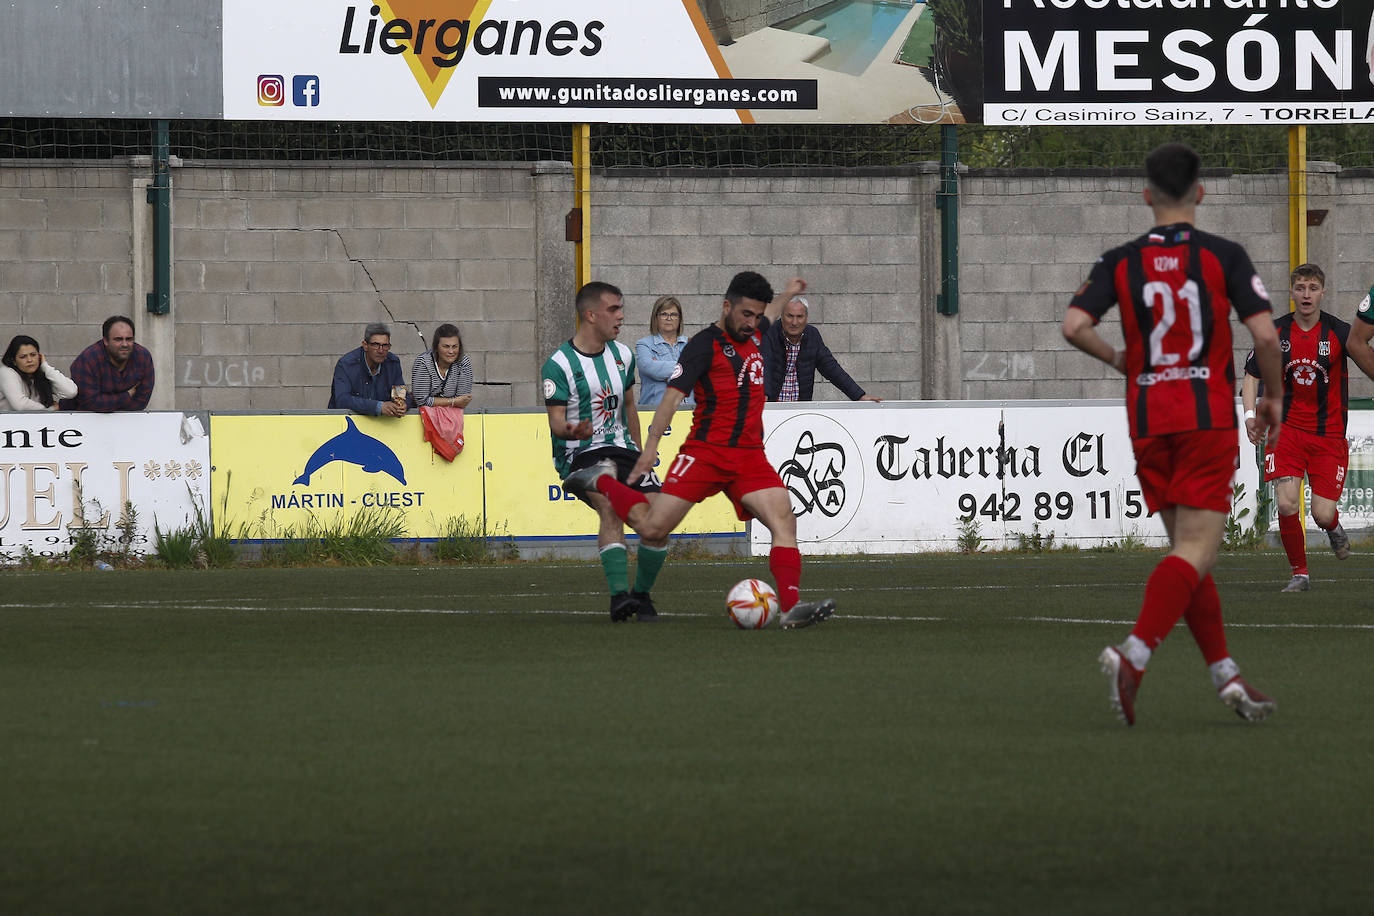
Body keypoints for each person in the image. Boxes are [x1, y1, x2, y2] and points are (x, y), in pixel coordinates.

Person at [1062, 142, 1283, 725]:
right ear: (1201, 193)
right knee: (1196, 551)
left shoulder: (1121, 260)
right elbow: (1264, 336)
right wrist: (1274, 397)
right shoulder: (1223, 256)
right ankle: (1132, 653)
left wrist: (1120, 360)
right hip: (1204, 419)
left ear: (1146, 195)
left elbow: (1074, 325)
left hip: (1148, 418)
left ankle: (1226, 677)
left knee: (1190, 557)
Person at [562, 271, 836, 630]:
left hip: (749, 455)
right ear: (727, 307)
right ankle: (602, 482)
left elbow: (771, 314)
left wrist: (787, 293)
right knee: (651, 527)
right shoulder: (703, 345)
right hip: (706, 453)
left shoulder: (754, 331)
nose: (753, 323)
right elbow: (673, 397)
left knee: (784, 519)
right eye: (746, 315)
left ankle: (791, 608)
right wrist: (651, 447)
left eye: (758, 316)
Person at [542, 281, 669, 623]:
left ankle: (641, 596)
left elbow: (629, 407)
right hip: (581, 453)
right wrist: (571, 429)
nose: (621, 316)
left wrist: (642, 454)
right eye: (614, 309)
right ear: (591, 315)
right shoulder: (559, 363)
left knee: (658, 523)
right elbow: (555, 421)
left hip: (624, 448)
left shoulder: (624, 356)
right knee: (611, 508)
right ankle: (618, 598)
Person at [1241, 264, 1362, 593]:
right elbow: (1252, 376)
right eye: (1300, 288)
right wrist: (1250, 415)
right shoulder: (1275, 332)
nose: (1306, 294)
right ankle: (1300, 573)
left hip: (1328, 436)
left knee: (1322, 514)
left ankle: (1333, 527)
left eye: (1312, 288)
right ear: (1291, 292)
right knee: (1286, 502)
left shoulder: (1339, 333)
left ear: (1323, 292)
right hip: (1287, 432)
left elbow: (1366, 352)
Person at [760, 295, 881, 403]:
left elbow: (831, 368)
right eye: (790, 316)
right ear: (781, 316)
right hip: (771, 407)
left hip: (800, 410)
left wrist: (859, 396)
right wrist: (763, 395)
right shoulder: (769, 333)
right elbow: (765, 365)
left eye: (800, 316)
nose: (794, 322)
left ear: (806, 318)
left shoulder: (812, 335)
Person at [61, 315, 154, 412]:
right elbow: (89, 403)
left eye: (129, 339)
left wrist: (107, 403)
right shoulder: (88, 359)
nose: (125, 344)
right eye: (118, 339)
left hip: (128, 419)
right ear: (105, 341)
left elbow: (141, 402)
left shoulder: (143, 357)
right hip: (83, 421)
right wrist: (127, 396)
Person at [329, 322, 407, 417]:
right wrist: (379, 407)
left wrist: (403, 405)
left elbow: (400, 393)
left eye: (385, 346)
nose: (381, 350)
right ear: (365, 345)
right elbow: (342, 400)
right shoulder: (346, 364)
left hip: (383, 424)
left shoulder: (393, 362)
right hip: (346, 423)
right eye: (375, 345)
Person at [635, 295, 693, 409]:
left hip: (689, 411)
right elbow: (649, 367)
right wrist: (686, 368)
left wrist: (663, 370)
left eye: (674, 314)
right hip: (653, 413)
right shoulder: (644, 344)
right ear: (655, 318)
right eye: (664, 314)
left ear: (679, 319)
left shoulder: (691, 344)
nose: (669, 318)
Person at [1, 335, 78, 411]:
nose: (29, 360)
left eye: (33, 355)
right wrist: (49, 410)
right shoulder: (6, 372)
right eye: (23, 357)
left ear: (40, 356)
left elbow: (70, 392)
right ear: (14, 361)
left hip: (37, 422)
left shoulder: (42, 374)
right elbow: (20, 405)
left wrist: (45, 367)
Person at [410, 323, 473, 409]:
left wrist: (435, 401)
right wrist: (453, 401)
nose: (451, 351)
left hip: (453, 415)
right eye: (446, 346)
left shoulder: (463, 362)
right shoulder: (423, 362)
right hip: (424, 415)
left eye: (454, 346)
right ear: (436, 347)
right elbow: (421, 401)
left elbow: (463, 401)